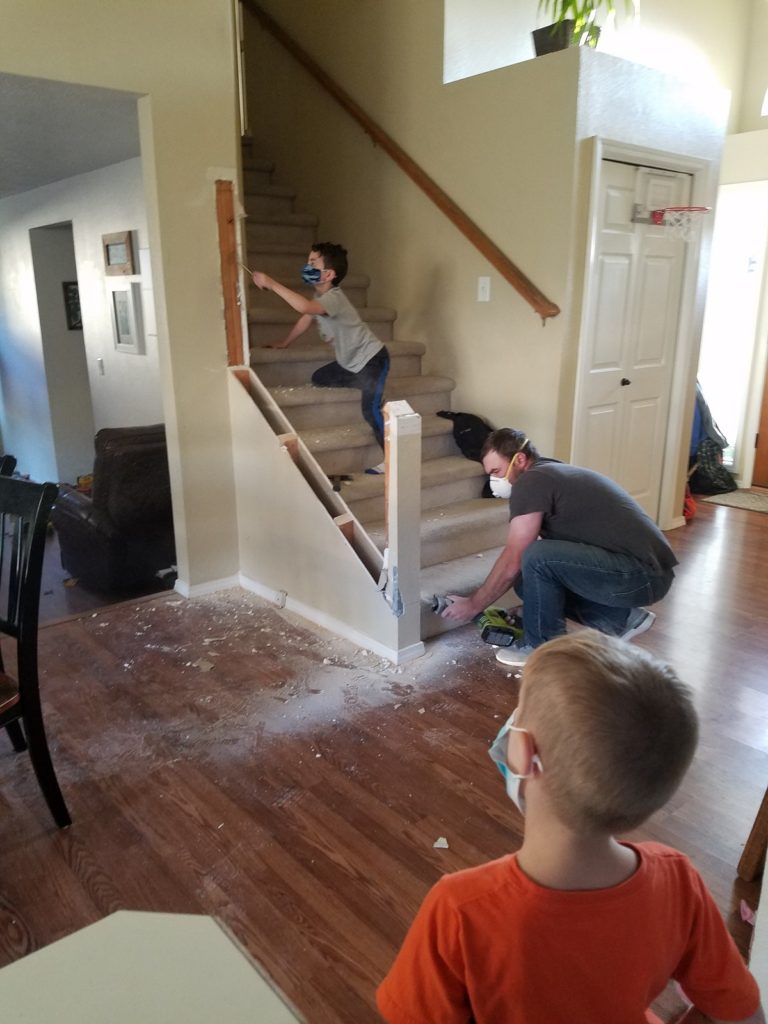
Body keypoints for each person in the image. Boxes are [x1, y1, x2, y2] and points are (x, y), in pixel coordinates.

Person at [377, 630, 764, 1024]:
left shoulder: (460, 910)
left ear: (524, 754)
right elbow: (744, 1014)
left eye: (516, 717)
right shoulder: (679, 880)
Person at [442, 427, 678, 667]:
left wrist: (473, 605)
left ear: (520, 460)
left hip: (641, 574)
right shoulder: (550, 473)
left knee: (535, 556)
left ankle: (544, 651)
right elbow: (545, 567)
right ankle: (621, 619)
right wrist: (532, 609)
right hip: (646, 574)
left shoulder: (532, 481)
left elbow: (516, 555)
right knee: (527, 579)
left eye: (497, 471)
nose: (494, 480)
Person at [251, 242, 390, 474]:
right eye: (308, 261)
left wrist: (272, 284)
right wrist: (285, 342)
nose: (307, 266)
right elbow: (307, 315)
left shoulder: (334, 298)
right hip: (351, 364)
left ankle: (392, 461)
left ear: (329, 274)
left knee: (370, 410)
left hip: (373, 359)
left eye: (313, 263)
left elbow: (304, 307)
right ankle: (369, 386)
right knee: (320, 377)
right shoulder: (321, 297)